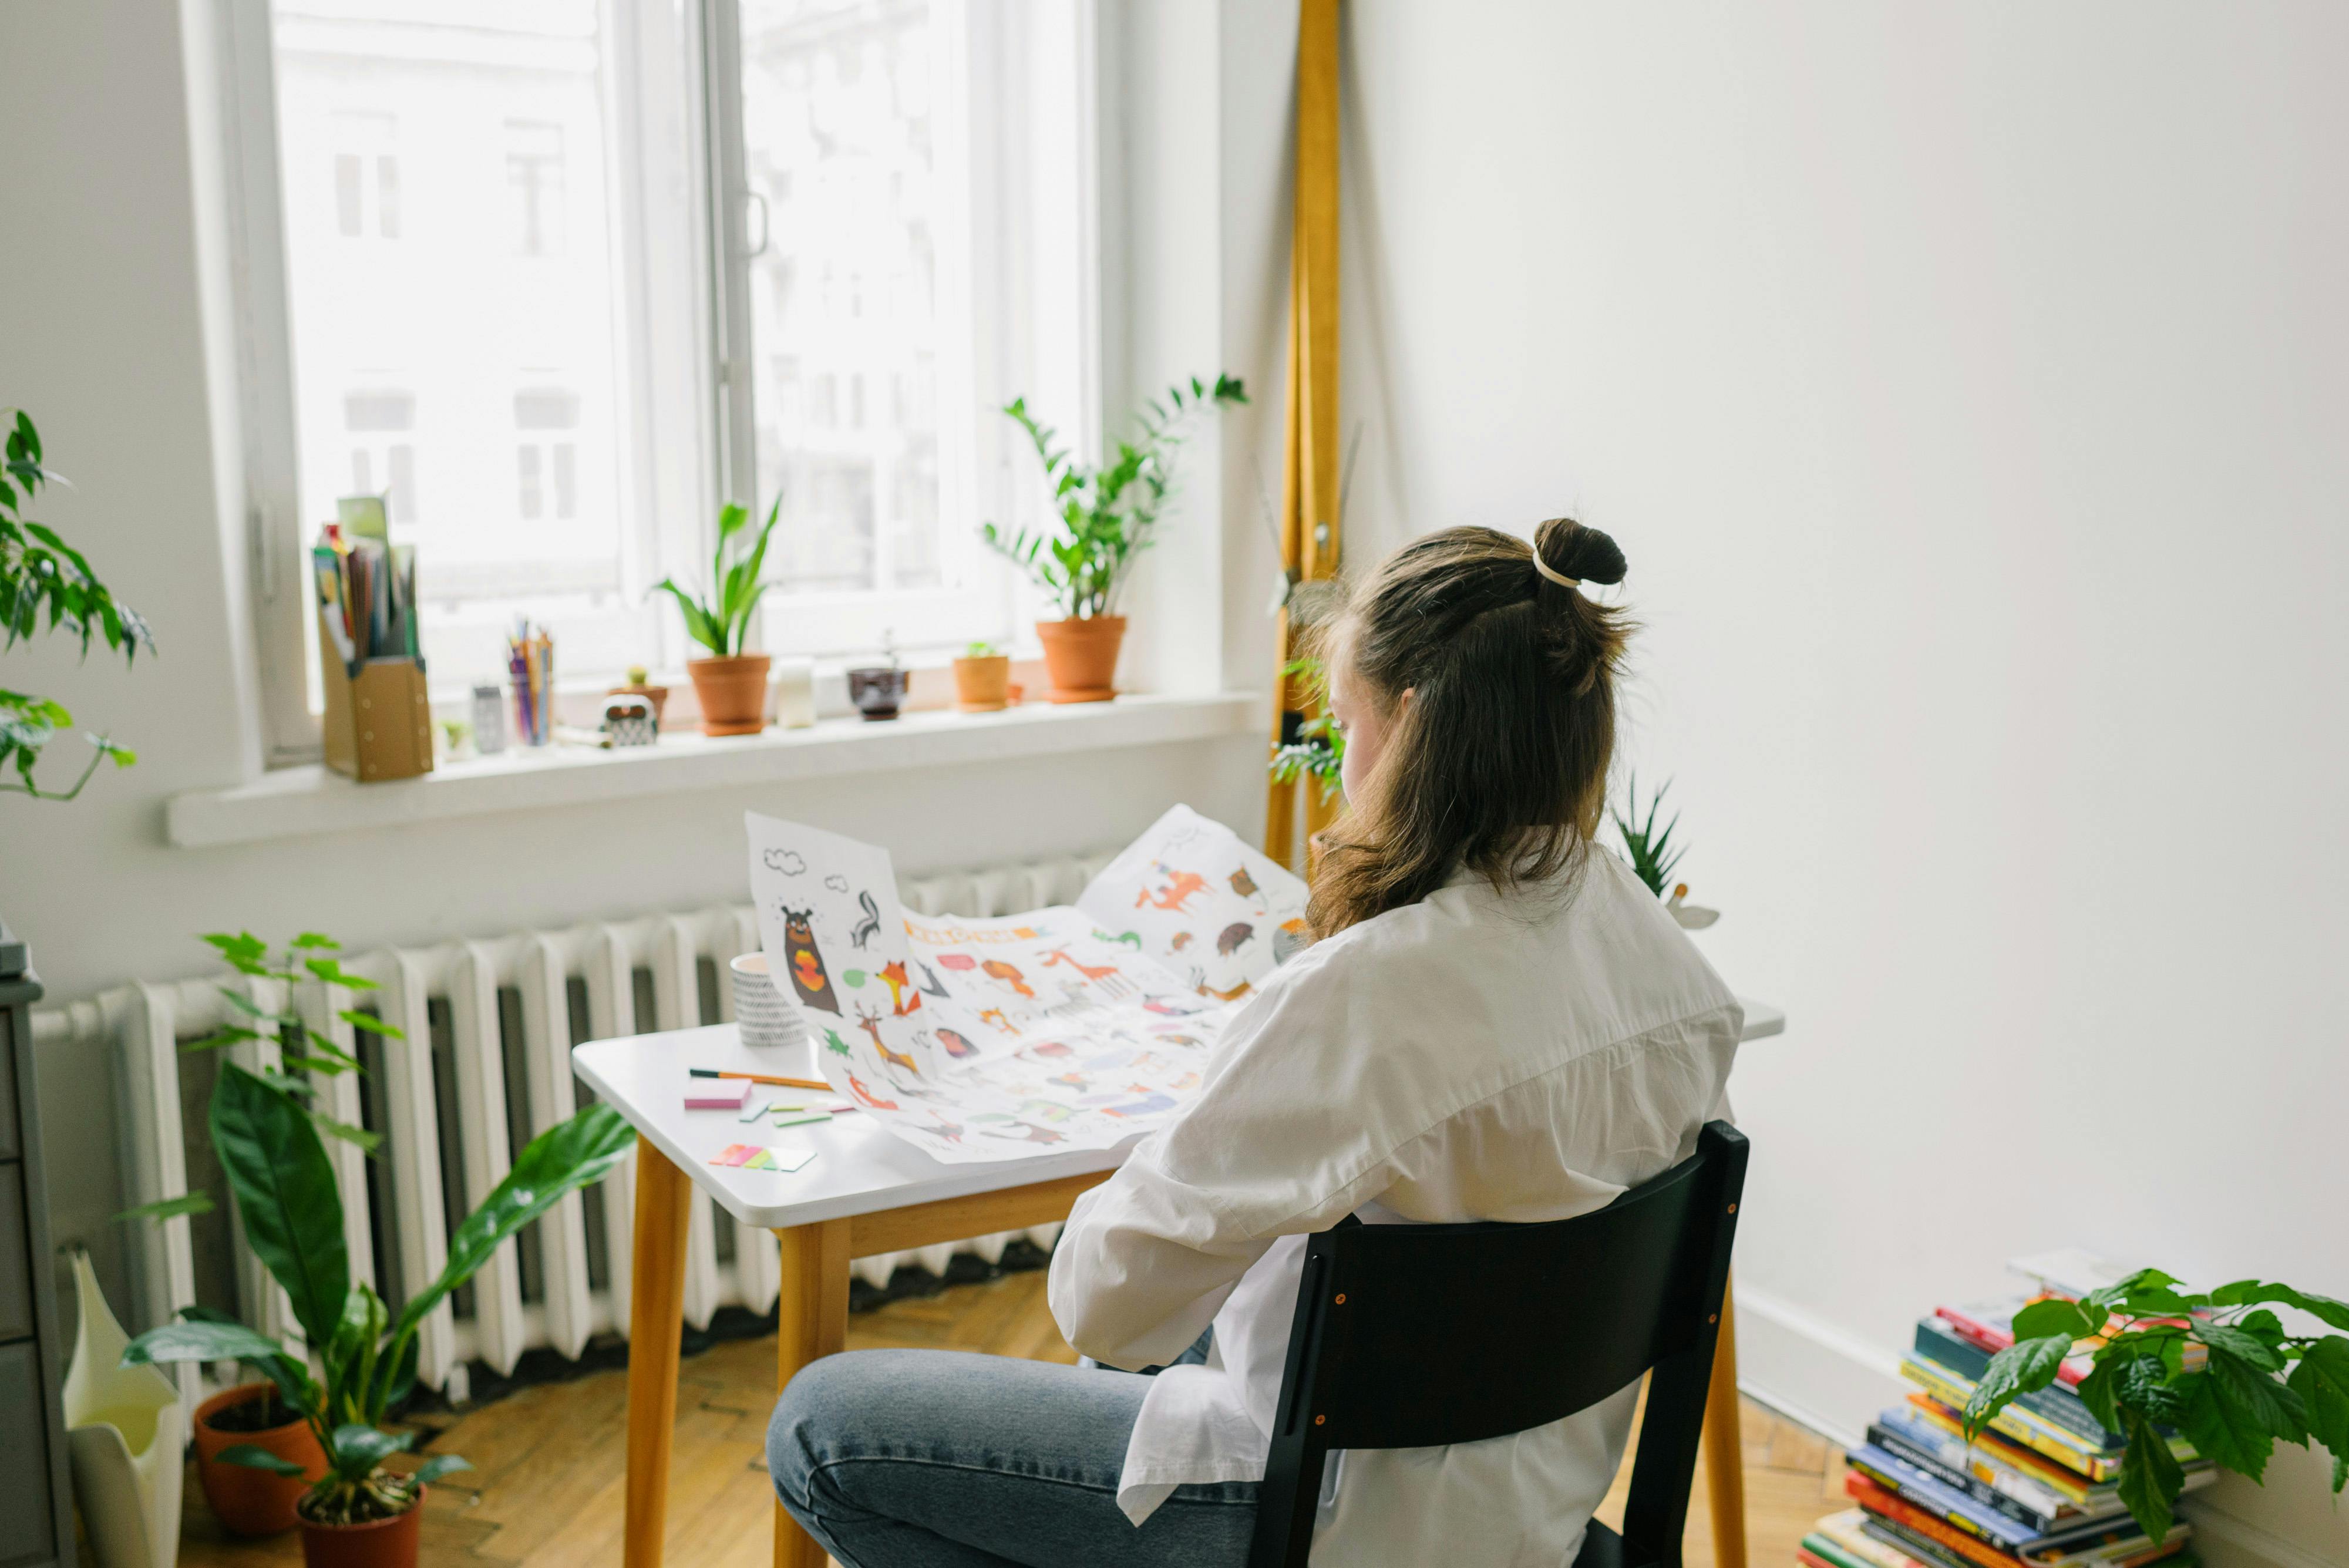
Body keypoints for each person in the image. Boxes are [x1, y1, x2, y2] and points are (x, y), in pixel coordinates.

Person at [768, 519, 1744, 1566]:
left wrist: (1200, 1114)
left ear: (1410, 726)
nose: (1344, 768)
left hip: (1326, 1521)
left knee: (820, 1428)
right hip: (1533, 1509)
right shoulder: (1675, 975)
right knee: (1192, 1308)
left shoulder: (1365, 997)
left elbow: (1100, 1306)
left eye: (1347, 726)